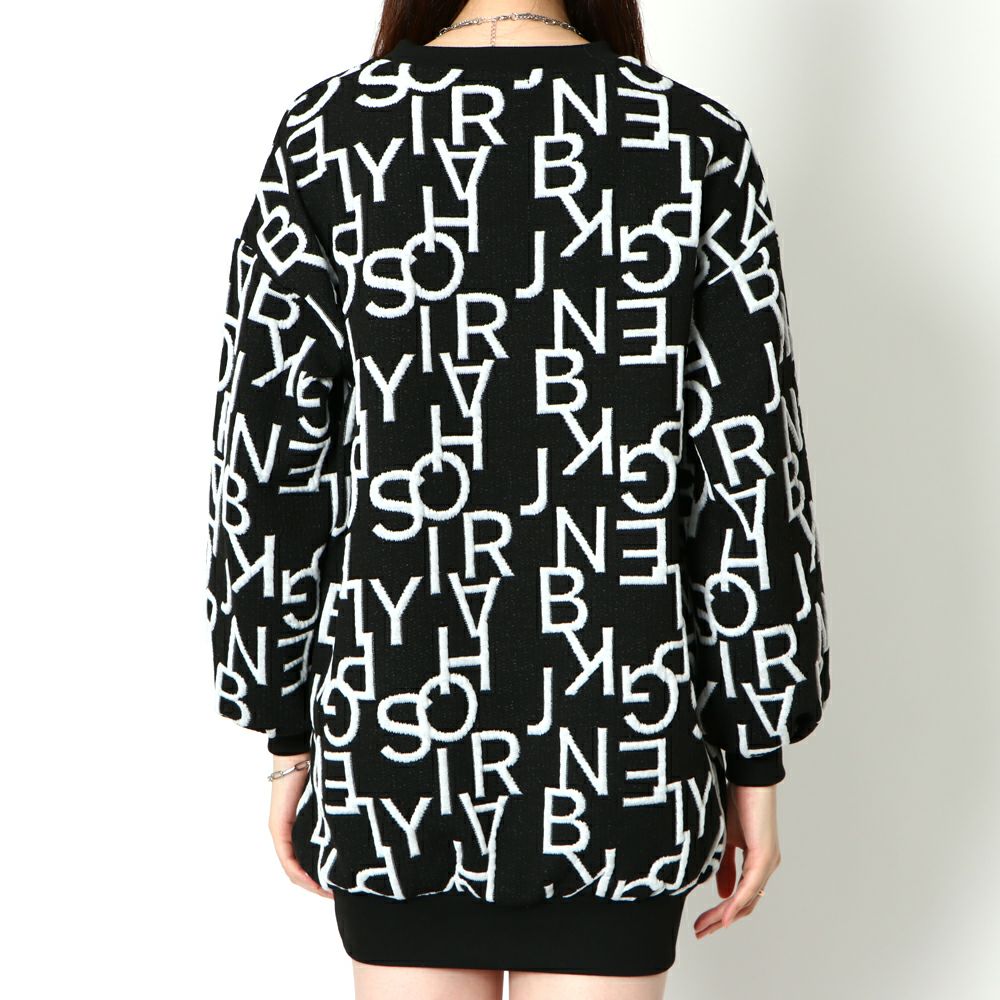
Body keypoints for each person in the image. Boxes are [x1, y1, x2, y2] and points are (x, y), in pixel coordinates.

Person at [203, 1, 832, 996]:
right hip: (618, 736)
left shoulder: (330, 135)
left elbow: (269, 462)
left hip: (397, 735)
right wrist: (754, 750)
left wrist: (286, 731)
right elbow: (747, 472)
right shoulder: (690, 141)